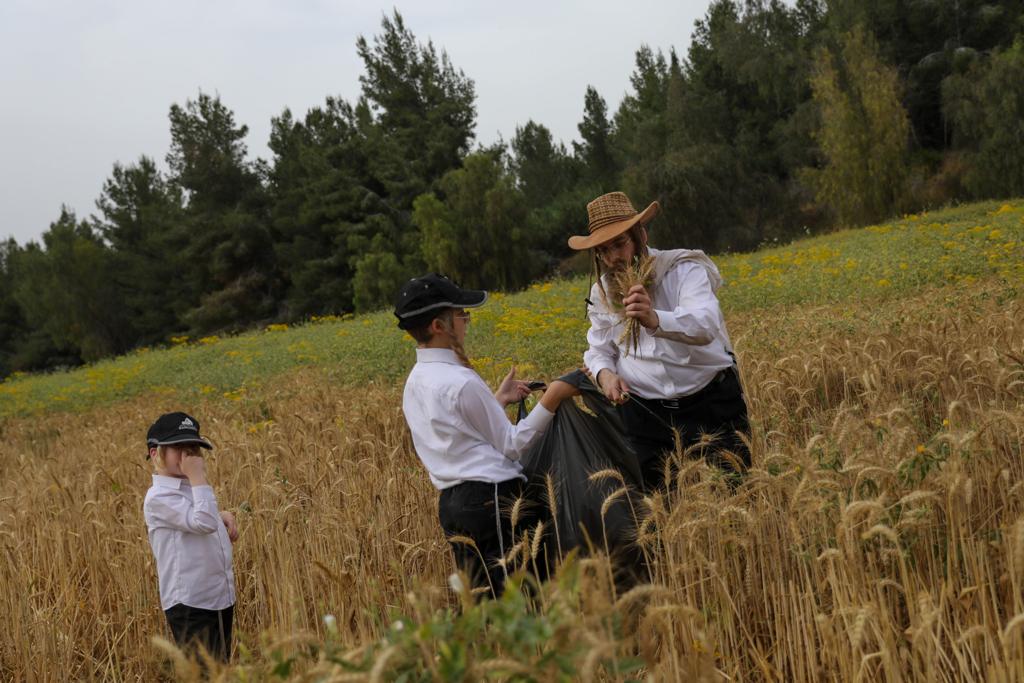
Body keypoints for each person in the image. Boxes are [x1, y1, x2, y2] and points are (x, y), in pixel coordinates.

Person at [395, 273, 579, 598]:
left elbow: (456, 432)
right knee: (525, 600)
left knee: (486, 604)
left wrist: (498, 401)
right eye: (461, 315)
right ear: (439, 326)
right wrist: (556, 395)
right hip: (494, 500)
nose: (466, 321)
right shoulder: (460, 381)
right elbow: (512, 444)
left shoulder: (415, 381)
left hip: (454, 506)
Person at [568, 191, 751, 492]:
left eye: (619, 244)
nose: (613, 257)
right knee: (659, 512)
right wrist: (605, 374)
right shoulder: (601, 293)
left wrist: (656, 319)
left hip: (711, 404)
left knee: (738, 492)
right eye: (603, 250)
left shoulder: (682, 269)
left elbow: (706, 322)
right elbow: (598, 348)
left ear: (641, 235)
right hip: (645, 416)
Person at [143, 411, 238, 662]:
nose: (188, 456)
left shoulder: (190, 487)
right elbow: (202, 521)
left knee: (220, 671)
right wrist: (198, 476)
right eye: (178, 448)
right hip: (190, 604)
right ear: (155, 453)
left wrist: (222, 515)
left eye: (193, 448)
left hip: (219, 596)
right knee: (205, 674)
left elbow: (201, 517)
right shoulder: (157, 498)